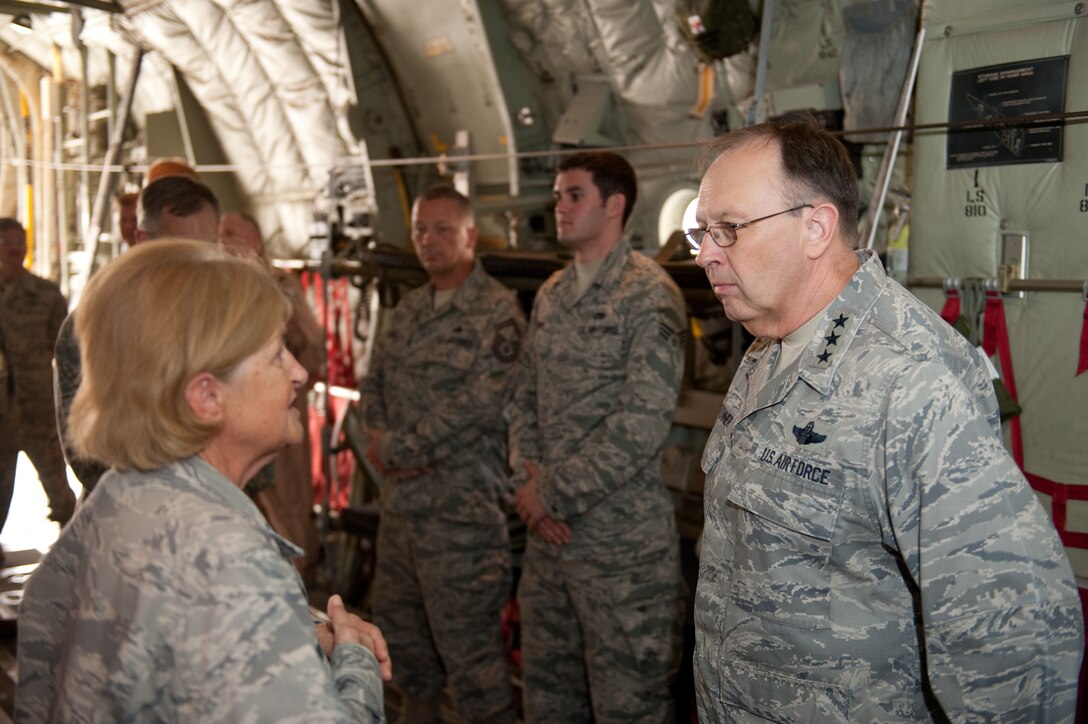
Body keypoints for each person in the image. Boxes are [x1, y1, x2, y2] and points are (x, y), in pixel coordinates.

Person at [689, 116, 1083, 721]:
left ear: (816, 227)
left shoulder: (910, 378)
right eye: (703, 232)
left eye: (729, 230)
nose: (706, 254)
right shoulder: (772, 343)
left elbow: (1014, 635)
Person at [17, 239, 391, 722]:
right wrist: (352, 657)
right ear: (207, 397)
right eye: (277, 354)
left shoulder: (119, 499)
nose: (299, 373)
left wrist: (293, 635)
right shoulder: (228, 558)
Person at [509, 152, 688, 723]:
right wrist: (530, 489)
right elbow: (524, 401)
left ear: (614, 206)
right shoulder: (553, 293)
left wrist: (550, 495)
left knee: (626, 707)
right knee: (547, 697)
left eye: (574, 195)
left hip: (620, 552)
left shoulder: (649, 295)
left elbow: (640, 425)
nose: (559, 206)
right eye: (558, 195)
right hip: (549, 548)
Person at [359, 186, 523, 723]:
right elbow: (374, 386)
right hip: (403, 515)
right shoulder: (408, 311)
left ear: (470, 236)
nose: (428, 241)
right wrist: (379, 444)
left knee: (472, 660)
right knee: (405, 649)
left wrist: (398, 448)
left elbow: (478, 405)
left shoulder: (496, 314)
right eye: (420, 230)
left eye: (442, 230)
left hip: (462, 521)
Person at [55, 175, 222, 493]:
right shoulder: (97, 324)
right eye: (181, 249)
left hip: (218, 508)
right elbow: (85, 451)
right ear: (143, 240)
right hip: (129, 514)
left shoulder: (226, 317)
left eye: (210, 247)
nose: (200, 263)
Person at [219, 210, 325, 579]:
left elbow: (312, 349)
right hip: (237, 423)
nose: (222, 241)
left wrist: (277, 372)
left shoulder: (279, 284)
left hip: (278, 415)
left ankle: (299, 587)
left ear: (254, 243)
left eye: (231, 234)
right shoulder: (218, 287)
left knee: (287, 511)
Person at [0, 218, 77, 529]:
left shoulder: (45, 294)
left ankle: (74, 546)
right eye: (6, 241)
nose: (13, 248)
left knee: (59, 487)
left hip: (40, 408)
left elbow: (63, 349)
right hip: (2, 415)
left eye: (19, 241)